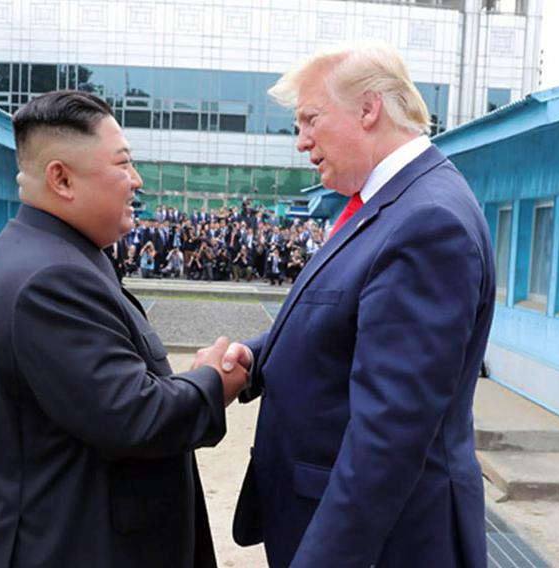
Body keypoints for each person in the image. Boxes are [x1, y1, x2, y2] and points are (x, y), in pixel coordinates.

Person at [220, 41, 495, 567]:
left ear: (368, 109)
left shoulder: (426, 222)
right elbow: (343, 322)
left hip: (386, 545)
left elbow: (388, 436)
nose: (301, 142)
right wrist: (256, 358)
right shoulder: (386, 205)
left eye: (309, 120)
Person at [0, 90, 248, 567]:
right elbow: (135, 415)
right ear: (62, 178)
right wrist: (212, 383)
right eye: (122, 164)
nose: (136, 181)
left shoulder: (52, 253)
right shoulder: (49, 279)